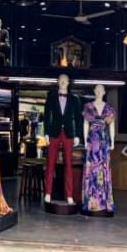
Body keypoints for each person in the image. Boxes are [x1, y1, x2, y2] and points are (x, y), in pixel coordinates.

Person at [43, 73, 82, 205]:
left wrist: (77, 135)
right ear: (58, 81)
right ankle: (48, 193)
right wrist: (46, 133)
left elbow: (78, 118)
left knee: (69, 165)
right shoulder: (51, 97)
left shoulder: (74, 99)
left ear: (69, 82)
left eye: (66, 80)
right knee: (50, 164)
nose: (64, 82)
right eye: (62, 80)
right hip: (54, 132)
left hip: (69, 133)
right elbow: (47, 116)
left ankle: (69, 195)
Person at [81, 84, 115, 215]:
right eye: (97, 89)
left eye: (102, 89)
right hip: (92, 141)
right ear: (94, 91)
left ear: (105, 92)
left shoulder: (109, 108)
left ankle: (104, 202)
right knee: (92, 170)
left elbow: (111, 126)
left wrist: (112, 141)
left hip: (104, 141)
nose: (99, 91)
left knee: (104, 169)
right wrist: (85, 141)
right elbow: (85, 124)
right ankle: (91, 203)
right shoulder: (88, 107)